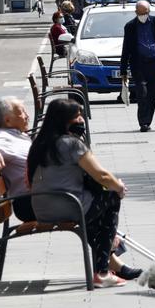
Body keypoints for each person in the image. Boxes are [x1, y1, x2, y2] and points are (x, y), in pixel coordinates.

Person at [27, 99, 132, 288]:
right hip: (68, 206)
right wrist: (119, 187)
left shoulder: (40, 143)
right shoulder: (71, 144)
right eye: (77, 116)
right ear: (64, 120)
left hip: (41, 208)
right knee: (111, 198)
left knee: (94, 213)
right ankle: (102, 271)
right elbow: (102, 175)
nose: (81, 119)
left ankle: (112, 265)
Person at [119, 0, 155, 132]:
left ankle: (148, 120)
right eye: (140, 13)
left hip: (154, 62)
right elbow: (126, 48)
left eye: (145, 13)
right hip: (138, 64)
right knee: (142, 92)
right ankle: (143, 122)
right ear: (136, 12)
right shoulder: (130, 26)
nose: (143, 15)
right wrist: (123, 69)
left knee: (152, 93)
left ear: (149, 12)